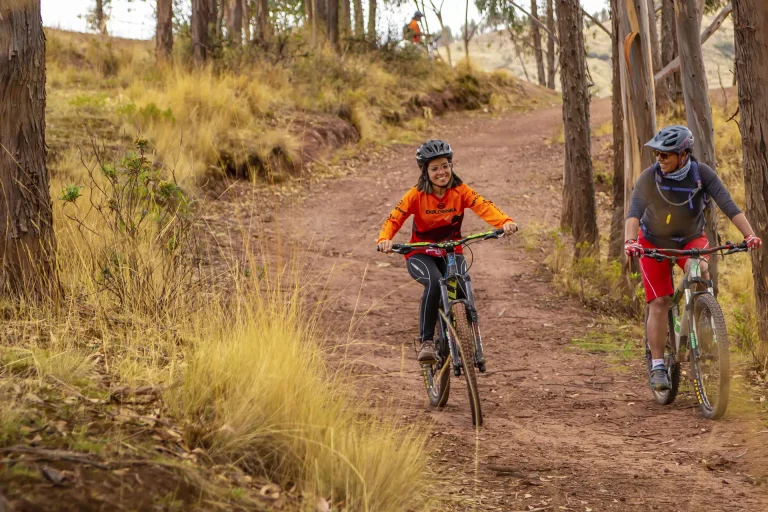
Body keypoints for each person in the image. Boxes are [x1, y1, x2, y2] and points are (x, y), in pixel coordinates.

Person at [624, 125, 762, 391]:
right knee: (660, 302)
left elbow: (728, 205)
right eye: (657, 154)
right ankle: (657, 365)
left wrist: (750, 235)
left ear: (684, 154)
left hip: (690, 239)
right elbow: (634, 212)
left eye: (666, 154)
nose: (660, 159)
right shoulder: (649, 177)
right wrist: (630, 242)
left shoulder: (702, 175)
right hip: (653, 242)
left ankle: (706, 322)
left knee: (700, 272)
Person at [377, 140, 517, 362]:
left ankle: (458, 327)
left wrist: (505, 222)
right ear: (425, 171)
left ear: (451, 165)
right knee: (434, 282)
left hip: (451, 251)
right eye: (434, 168)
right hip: (420, 252)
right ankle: (427, 342)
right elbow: (395, 217)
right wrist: (385, 239)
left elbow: (484, 205)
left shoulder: (460, 191)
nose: (441, 172)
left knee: (458, 283)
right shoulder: (416, 195)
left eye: (445, 165)